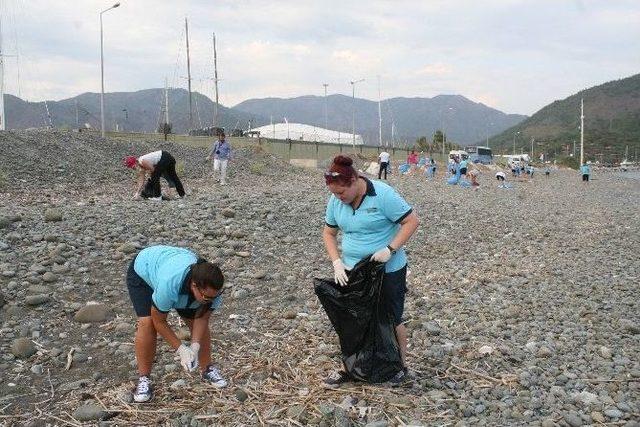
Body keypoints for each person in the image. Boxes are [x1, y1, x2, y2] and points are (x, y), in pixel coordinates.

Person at [322, 155, 419, 387]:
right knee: (352, 318)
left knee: (390, 317)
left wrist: (390, 249)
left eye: (342, 193)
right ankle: (350, 365)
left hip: (387, 268)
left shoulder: (383, 194)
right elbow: (329, 233)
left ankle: (400, 366)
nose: (338, 198)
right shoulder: (336, 201)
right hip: (352, 269)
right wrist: (337, 262)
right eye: (334, 194)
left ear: (355, 180)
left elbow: (412, 221)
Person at [126, 245, 227, 403]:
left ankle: (207, 369)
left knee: (194, 321)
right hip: (144, 269)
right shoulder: (170, 284)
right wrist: (181, 349)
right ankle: (144, 379)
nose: (211, 301)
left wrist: (194, 346)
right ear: (194, 286)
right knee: (147, 323)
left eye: (214, 297)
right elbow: (159, 321)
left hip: (173, 263)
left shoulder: (212, 291)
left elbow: (202, 318)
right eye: (207, 298)